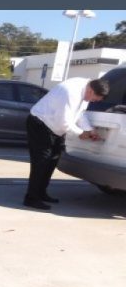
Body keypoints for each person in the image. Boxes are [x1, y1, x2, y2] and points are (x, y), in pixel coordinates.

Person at [23, 77, 109, 210]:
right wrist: (81, 133)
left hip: (55, 128)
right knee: (41, 161)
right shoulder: (70, 92)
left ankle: (41, 193)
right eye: (95, 99)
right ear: (91, 90)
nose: (94, 101)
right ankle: (31, 198)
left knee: (52, 160)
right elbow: (65, 122)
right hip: (41, 123)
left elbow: (79, 114)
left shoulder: (85, 90)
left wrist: (89, 129)